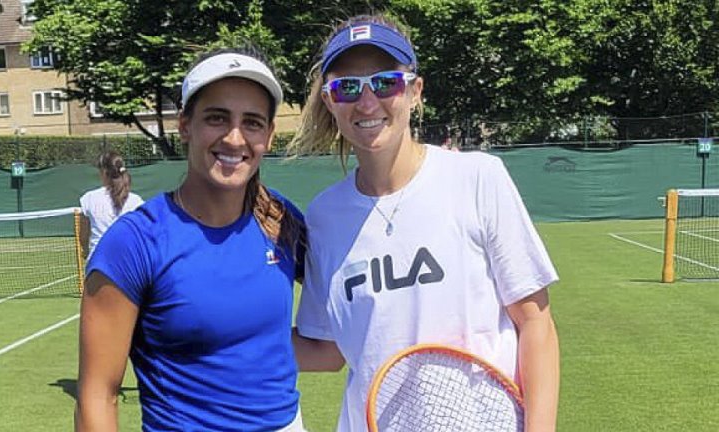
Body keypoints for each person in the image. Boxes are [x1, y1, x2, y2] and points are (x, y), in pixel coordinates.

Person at [289, 14, 560, 432]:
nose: (366, 103)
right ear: (329, 101)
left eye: (384, 83)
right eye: (346, 88)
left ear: (415, 91)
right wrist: (210, 335)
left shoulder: (478, 178)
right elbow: (327, 351)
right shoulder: (324, 217)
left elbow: (536, 323)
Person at [74, 46, 307, 431]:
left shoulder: (281, 220)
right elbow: (97, 396)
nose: (235, 138)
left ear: (269, 135)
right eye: (217, 118)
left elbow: (335, 331)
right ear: (185, 125)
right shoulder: (134, 243)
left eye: (252, 122)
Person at [79, 151, 144, 260]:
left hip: (98, 264)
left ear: (104, 172)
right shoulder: (136, 201)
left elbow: (83, 236)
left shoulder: (89, 198)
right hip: (127, 263)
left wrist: (85, 251)